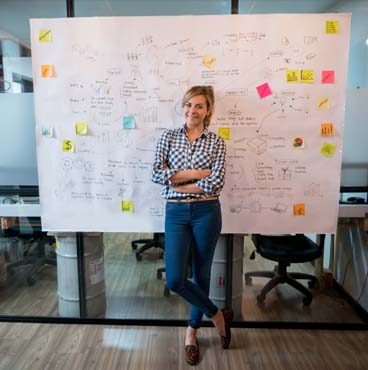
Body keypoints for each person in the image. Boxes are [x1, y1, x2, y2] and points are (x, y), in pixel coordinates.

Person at [151, 85, 233, 365]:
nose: (192, 110)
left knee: (202, 273)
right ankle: (216, 314)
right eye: (188, 105)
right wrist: (196, 175)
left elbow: (216, 182)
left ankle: (191, 332)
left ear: (208, 110)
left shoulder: (217, 142)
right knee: (175, 278)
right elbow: (155, 174)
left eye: (199, 106)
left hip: (206, 212)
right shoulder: (168, 137)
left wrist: (177, 180)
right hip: (175, 213)